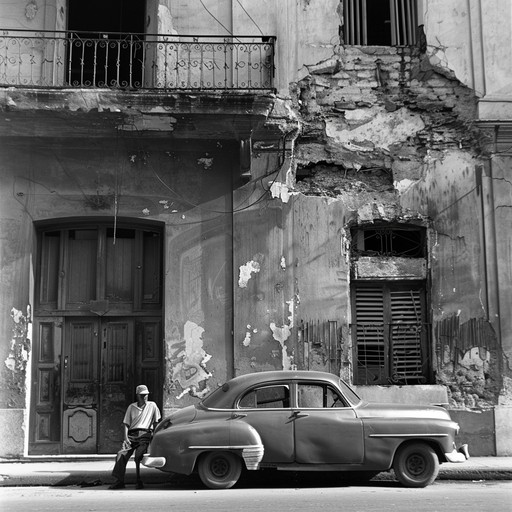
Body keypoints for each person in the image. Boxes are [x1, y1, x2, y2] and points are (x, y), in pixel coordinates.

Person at [109, 385, 161, 490]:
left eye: (146, 395)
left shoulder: (152, 406)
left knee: (138, 456)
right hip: (132, 435)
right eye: (142, 395)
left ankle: (138, 480)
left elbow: (156, 422)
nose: (144, 397)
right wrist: (126, 439)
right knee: (121, 455)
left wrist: (153, 436)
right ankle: (119, 481)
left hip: (145, 434)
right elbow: (126, 424)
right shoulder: (131, 407)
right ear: (137, 395)